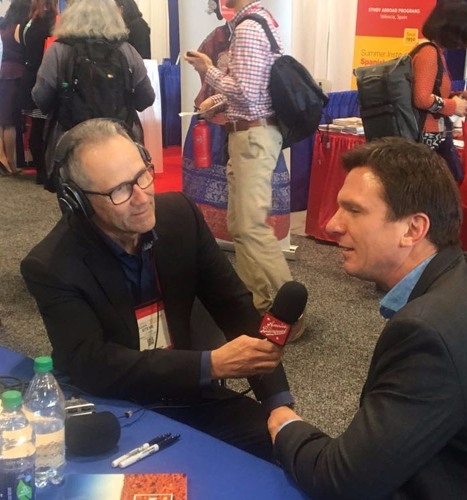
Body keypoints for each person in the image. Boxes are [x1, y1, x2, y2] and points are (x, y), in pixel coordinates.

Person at [21, 118, 294, 463]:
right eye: (119, 190)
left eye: (142, 175)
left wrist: (278, 405)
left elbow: (235, 307)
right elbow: (93, 363)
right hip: (114, 404)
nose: (141, 197)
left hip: (187, 389)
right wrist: (209, 364)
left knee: (294, 453)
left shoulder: (180, 216)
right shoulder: (51, 265)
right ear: (78, 201)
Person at [268, 137, 467, 499]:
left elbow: (342, 481)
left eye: (354, 210)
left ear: (413, 229)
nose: (331, 225)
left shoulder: (427, 333)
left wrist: (286, 426)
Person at [184, 1, 299, 329]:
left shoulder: (249, 27)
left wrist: (208, 70)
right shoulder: (259, 22)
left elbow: (247, 94)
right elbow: (256, 90)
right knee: (241, 225)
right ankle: (261, 303)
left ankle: (291, 313)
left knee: (249, 227)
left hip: (253, 136)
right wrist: (216, 100)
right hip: (250, 135)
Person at [31, 0, 154, 191]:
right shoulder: (126, 51)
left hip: (71, 139)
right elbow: (146, 98)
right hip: (119, 137)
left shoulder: (58, 51)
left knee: (74, 195)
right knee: (121, 193)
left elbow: (41, 97)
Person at [412, 0, 467, 181]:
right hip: (427, 135)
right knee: (442, 185)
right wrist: (453, 106)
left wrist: (462, 97)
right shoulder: (429, 53)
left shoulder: (435, 52)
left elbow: (433, 94)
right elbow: (421, 98)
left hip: (433, 133)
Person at [19, 0, 58, 185]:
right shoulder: (52, 23)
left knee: (35, 126)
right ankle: (47, 170)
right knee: (48, 129)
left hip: (29, 78)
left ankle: (40, 171)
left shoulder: (29, 24)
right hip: (46, 78)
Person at [0, 0, 30, 175]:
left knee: (2, 119)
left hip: (4, 72)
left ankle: (2, 156)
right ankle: (10, 160)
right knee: (10, 121)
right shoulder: (19, 28)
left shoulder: (4, 27)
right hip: (16, 73)